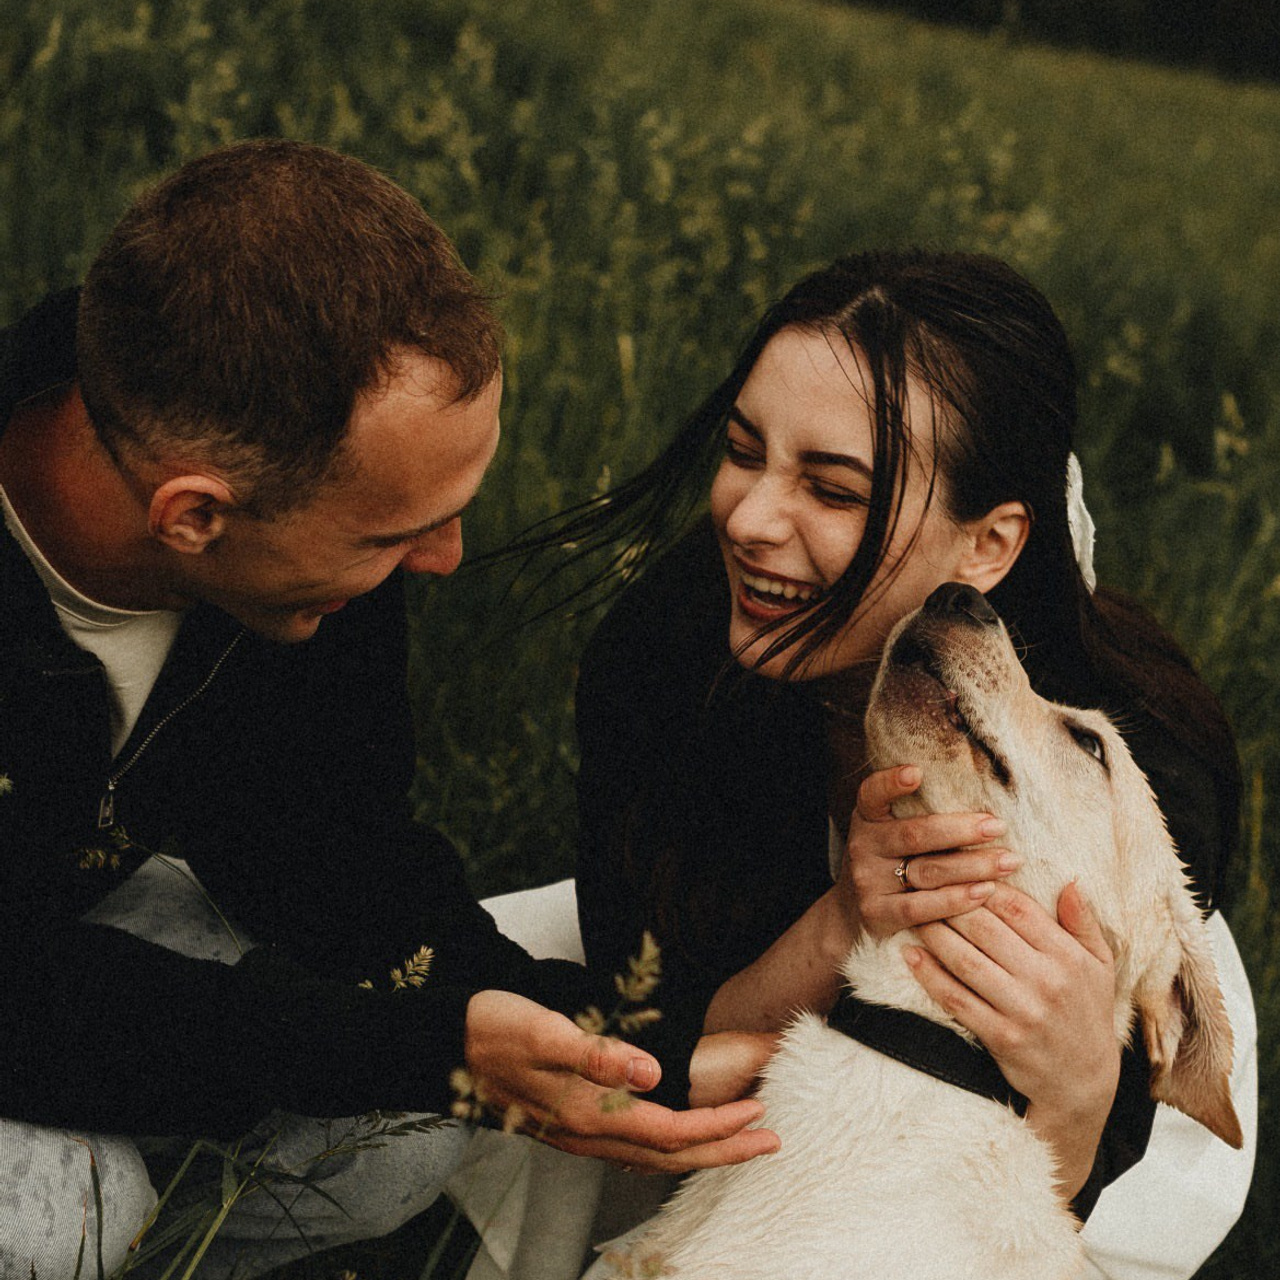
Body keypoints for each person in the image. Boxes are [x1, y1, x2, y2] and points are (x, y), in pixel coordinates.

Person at [0, 140, 779, 1280]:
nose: (444, 557)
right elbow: (24, 992)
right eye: (393, 532)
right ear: (192, 516)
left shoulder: (296, 556)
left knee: (411, 1133)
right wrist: (412, 1042)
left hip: (72, 920)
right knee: (55, 1216)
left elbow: (335, 855)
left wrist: (600, 1040)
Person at [538, 250, 1256, 1272]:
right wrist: (846, 914)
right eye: (744, 450)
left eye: (831, 490)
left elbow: (1030, 1209)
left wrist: (1076, 1088)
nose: (747, 520)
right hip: (765, 1031)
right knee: (554, 1059)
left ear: (988, 544)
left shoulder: (1130, 758)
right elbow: (652, 1036)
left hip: (1048, 1136)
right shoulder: (670, 648)